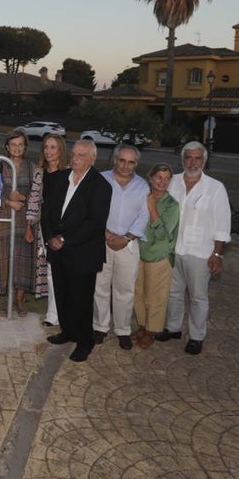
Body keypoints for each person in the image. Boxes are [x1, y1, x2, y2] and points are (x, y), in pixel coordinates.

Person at [41, 139, 112, 363]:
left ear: (92, 159)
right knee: (62, 295)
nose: (75, 158)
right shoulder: (60, 178)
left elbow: (95, 222)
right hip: (57, 249)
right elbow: (48, 211)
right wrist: (50, 237)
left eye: (81, 155)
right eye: (73, 154)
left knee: (81, 299)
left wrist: (64, 238)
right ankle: (68, 331)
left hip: (83, 253)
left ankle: (85, 341)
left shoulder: (100, 185)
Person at [156, 142, 231, 355]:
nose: (193, 162)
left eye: (197, 158)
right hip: (173, 249)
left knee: (198, 297)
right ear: (182, 159)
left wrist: (217, 254)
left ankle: (197, 337)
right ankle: (173, 328)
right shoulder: (172, 182)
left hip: (200, 252)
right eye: (188, 157)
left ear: (204, 161)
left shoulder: (215, 188)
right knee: (173, 292)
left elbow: (223, 224)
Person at [93, 144, 149, 349]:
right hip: (102, 241)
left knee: (125, 290)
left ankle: (123, 330)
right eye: (122, 160)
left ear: (136, 164)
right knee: (100, 286)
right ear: (115, 160)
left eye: (131, 162)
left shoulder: (142, 186)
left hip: (128, 245)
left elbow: (144, 216)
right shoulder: (100, 178)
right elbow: (92, 209)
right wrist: (106, 234)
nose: (126, 166)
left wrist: (125, 238)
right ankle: (99, 327)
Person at [133, 163, 179, 349]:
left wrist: (152, 208)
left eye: (167, 178)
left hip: (159, 256)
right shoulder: (142, 196)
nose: (162, 181)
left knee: (156, 296)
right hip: (140, 252)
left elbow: (163, 235)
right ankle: (142, 326)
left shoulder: (172, 205)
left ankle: (152, 331)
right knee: (139, 293)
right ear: (150, 178)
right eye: (159, 177)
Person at [0, 130, 37, 317]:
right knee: (7, 259)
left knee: (23, 260)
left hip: (25, 219)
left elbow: (37, 196)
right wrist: (8, 199)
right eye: (13, 144)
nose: (17, 148)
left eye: (20, 144)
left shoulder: (33, 167)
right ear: (7, 147)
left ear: (25, 147)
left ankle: (20, 299)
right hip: (5, 215)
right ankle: (10, 300)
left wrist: (24, 200)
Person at [26, 135, 67, 327]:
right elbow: (34, 200)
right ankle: (53, 314)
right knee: (50, 271)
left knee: (66, 272)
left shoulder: (70, 173)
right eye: (46, 148)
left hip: (66, 230)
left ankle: (67, 312)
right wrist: (29, 225)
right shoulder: (39, 173)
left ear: (61, 150)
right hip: (46, 229)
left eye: (53, 147)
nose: (49, 151)